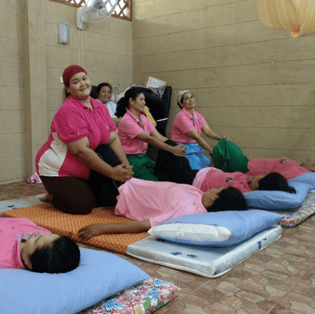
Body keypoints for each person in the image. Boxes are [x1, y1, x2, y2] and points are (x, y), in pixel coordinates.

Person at [36, 65, 133, 214]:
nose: (82, 84)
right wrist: (112, 172)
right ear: (68, 89)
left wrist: (125, 167)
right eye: (75, 82)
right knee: (83, 205)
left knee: (111, 197)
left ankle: (77, 189)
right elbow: (80, 150)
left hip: (84, 168)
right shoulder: (68, 110)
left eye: (84, 79)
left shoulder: (99, 107)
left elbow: (113, 139)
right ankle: (54, 195)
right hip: (57, 169)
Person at [78, 178, 247, 240]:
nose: (214, 188)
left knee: (101, 150)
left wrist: (102, 228)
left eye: (217, 190)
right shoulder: (200, 195)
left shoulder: (187, 212)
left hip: (121, 192)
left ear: (215, 198)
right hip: (131, 181)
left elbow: (146, 225)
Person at [115, 87, 186, 181]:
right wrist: (172, 149)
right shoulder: (126, 120)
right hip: (131, 160)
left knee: (166, 174)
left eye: (144, 99)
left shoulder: (144, 118)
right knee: (155, 182)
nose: (144, 103)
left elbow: (158, 136)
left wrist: (175, 146)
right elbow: (149, 139)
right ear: (131, 101)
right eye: (141, 99)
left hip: (144, 157)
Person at [171, 90, 229, 170]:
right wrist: (212, 151)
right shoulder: (181, 117)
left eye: (192, 97)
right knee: (199, 172)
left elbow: (208, 131)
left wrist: (220, 138)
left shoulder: (196, 114)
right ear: (181, 103)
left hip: (195, 149)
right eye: (187, 99)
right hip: (184, 150)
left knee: (208, 166)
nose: (191, 100)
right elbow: (197, 137)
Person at [193, 168, 296, 194]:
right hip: (205, 172)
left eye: (263, 175)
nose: (260, 174)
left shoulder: (242, 191)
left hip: (198, 181)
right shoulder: (249, 180)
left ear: (257, 185)